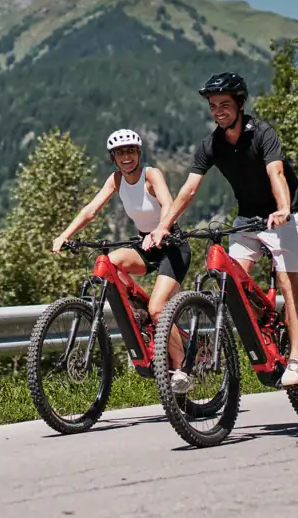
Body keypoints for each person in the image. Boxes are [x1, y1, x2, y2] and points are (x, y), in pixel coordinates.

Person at [148, 71, 298, 388]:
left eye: (224, 104)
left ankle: (297, 358)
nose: (218, 110)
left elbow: (276, 173)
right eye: (213, 105)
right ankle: (266, 328)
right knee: (233, 282)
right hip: (247, 218)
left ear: (240, 103)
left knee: (287, 280)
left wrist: (282, 208)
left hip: (282, 215)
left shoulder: (262, 133)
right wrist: (163, 226)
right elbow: (188, 190)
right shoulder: (212, 144)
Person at [51, 128, 195, 393]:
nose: (126, 157)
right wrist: (64, 235)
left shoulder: (151, 175)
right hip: (145, 244)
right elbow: (91, 210)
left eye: (130, 151)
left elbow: (167, 203)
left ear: (138, 153)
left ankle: (181, 368)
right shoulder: (116, 180)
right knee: (108, 262)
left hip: (171, 245)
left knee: (158, 309)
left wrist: (161, 229)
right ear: (113, 158)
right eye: (120, 153)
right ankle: (137, 309)